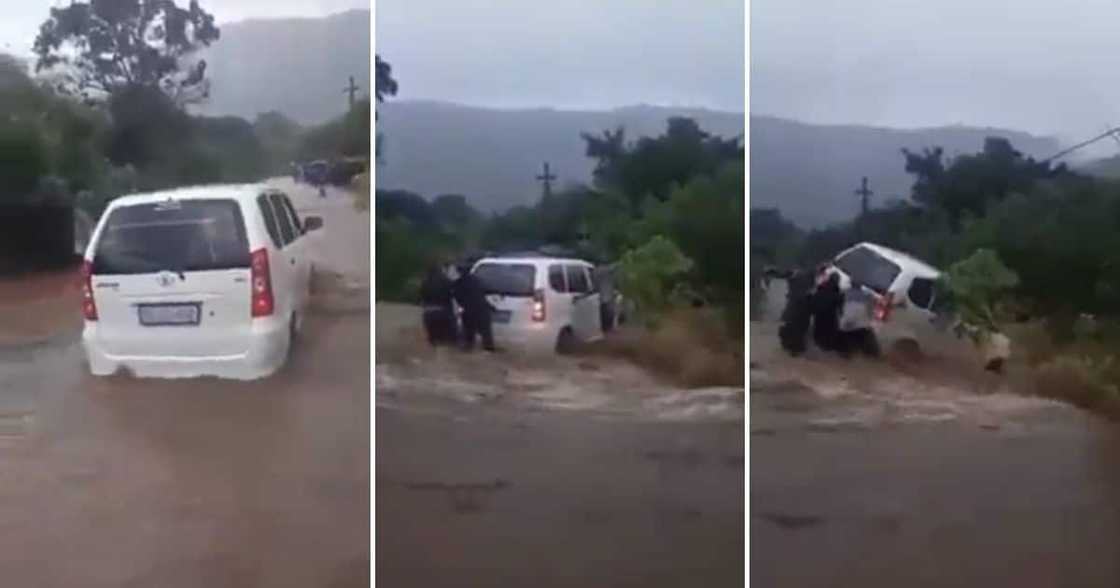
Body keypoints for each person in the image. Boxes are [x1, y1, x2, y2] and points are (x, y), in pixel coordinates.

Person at [452, 265, 496, 352]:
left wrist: (463, 306)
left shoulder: (458, 283)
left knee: (469, 331)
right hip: (482, 308)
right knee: (486, 332)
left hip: (469, 310)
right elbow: (483, 293)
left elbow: (456, 296)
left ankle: (469, 346)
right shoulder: (477, 280)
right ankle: (488, 347)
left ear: (459, 272)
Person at [778, 268, 814, 355]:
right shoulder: (807, 281)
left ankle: (792, 346)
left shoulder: (793, 282)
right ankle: (797, 346)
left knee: (790, 326)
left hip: (795, 308)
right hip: (802, 307)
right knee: (800, 328)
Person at [419, 264, 457, 346]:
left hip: (428, 312)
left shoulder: (425, 281)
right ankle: (450, 338)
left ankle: (434, 338)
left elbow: (421, 297)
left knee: (433, 335)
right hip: (444, 312)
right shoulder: (446, 280)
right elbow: (452, 294)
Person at [811, 272, 843, 352]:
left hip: (818, 312)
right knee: (832, 327)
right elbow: (839, 304)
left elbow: (815, 297)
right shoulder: (837, 290)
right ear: (837, 280)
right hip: (829, 314)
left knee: (819, 327)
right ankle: (828, 345)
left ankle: (818, 342)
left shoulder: (822, 286)